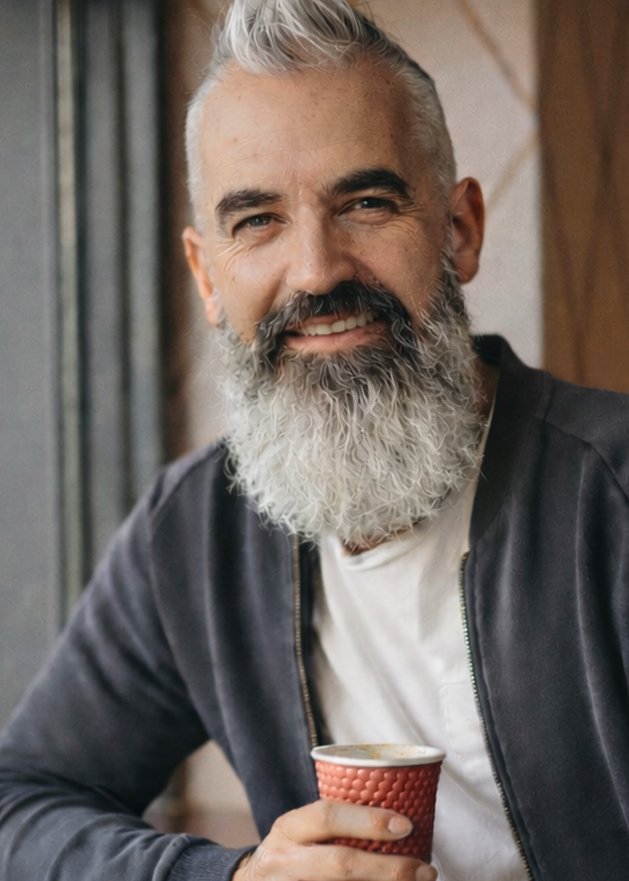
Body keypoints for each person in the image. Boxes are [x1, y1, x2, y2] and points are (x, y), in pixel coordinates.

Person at [0, 1, 628, 879]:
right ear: (206, 274)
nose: (316, 271)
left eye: (366, 203)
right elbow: (22, 799)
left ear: (459, 231)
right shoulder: (194, 533)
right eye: (257, 221)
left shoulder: (611, 496)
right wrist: (228, 876)